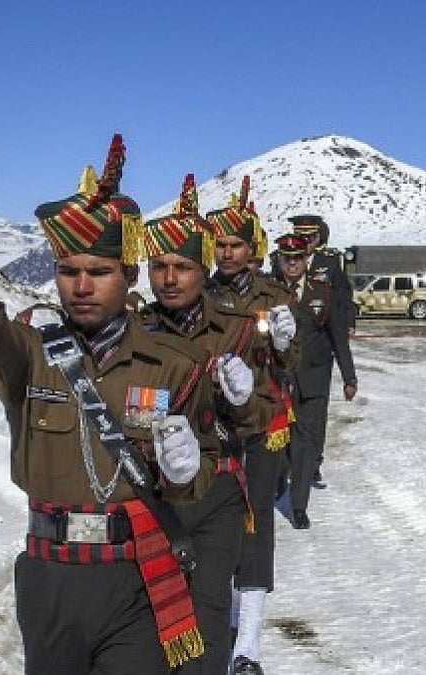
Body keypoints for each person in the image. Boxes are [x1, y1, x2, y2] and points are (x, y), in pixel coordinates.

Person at [0, 135, 217, 674]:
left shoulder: (174, 364)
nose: (82, 286)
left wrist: (188, 469)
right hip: (52, 576)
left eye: (100, 272)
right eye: (68, 272)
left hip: (137, 574)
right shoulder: (34, 354)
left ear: (128, 276)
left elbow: (195, 479)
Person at [140, 174, 295, 675]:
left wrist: (264, 374)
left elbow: (276, 394)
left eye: (181, 266)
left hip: (228, 469)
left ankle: (244, 644)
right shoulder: (136, 328)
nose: (169, 278)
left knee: (222, 580)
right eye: (158, 266)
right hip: (154, 486)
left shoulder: (244, 323)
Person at [205, 176, 299, 675]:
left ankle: (249, 643)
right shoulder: (201, 291)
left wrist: (284, 345)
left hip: (263, 422)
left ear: (251, 248)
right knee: (216, 518)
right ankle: (220, 619)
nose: (226, 253)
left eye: (235, 244)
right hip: (216, 423)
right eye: (219, 244)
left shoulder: (274, 293)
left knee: (256, 518)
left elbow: (294, 360)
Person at [273, 232, 357, 531]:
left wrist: (349, 376)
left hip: (314, 378)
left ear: (306, 260)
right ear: (280, 260)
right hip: (279, 380)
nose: (292, 264)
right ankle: (281, 478)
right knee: (281, 441)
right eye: (287, 259)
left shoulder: (321, 290)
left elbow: (337, 335)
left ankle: (298, 506)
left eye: (297, 259)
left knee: (306, 444)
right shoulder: (270, 291)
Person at [287, 215, 356, 336]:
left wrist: (348, 322)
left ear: (318, 238)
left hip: (320, 330)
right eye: (302, 238)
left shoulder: (330, 263)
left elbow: (343, 295)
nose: (306, 242)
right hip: (289, 328)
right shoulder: (282, 262)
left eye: (311, 237)